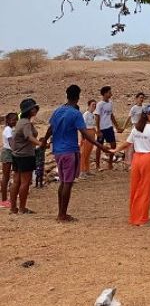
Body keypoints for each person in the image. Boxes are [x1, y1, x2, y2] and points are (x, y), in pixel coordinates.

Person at [41, 85, 110, 222]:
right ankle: (62, 215)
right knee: (68, 183)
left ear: (67, 95)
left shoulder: (58, 110)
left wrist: (44, 141)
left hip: (58, 151)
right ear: (78, 97)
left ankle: (60, 213)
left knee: (62, 182)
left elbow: (51, 128)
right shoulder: (75, 113)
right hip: (69, 151)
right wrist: (100, 145)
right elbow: (84, 133)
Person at [113, 104, 150, 226]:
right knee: (146, 189)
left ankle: (134, 216)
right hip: (149, 159)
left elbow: (127, 143)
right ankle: (142, 218)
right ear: (149, 115)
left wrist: (115, 150)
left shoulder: (136, 128)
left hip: (137, 159)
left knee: (135, 187)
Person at [10, 99, 46, 214]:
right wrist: (40, 144)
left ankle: (13, 207)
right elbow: (29, 137)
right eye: (33, 108)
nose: (35, 109)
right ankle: (22, 208)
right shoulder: (26, 123)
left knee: (16, 181)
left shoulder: (21, 121)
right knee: (25, 182)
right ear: (28, 110)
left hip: (16, 154)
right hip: (25, 155)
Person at [95, 86, 123, 171]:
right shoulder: (100, 104)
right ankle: (97, 165)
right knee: (99, 146)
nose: (111, 94)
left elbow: (111, 115)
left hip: (109, 127)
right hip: (102, 128)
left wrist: (117, 126)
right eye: (109, 92)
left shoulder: (110, 103)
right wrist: (98, 129)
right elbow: (97, 117)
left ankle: (110, 163)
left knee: (113, 145)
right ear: (105, 93)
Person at [1, 113, 18, 209]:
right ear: (8, 120)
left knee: (8, 176)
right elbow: (11, 142)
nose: (15, 121)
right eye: (13, 120)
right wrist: (17, 151)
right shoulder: (8, 130)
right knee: (6, 176)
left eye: (16, 119)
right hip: (8, 152)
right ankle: (3, 200)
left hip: (9, 152)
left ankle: (7, 198)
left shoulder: (11, 129)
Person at [80, 99, 98, 179]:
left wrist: (97, 133)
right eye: (93, 104)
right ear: (89, 105)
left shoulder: (93, 115)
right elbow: (82, 126)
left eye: (95, 105)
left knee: (88, 153)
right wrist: (83, 136)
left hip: (92, 134)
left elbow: (93, 126)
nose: (94, 106)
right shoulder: (86, 114)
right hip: (87, 134)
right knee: (84, 153)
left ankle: (87, 170)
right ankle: (82, 171)